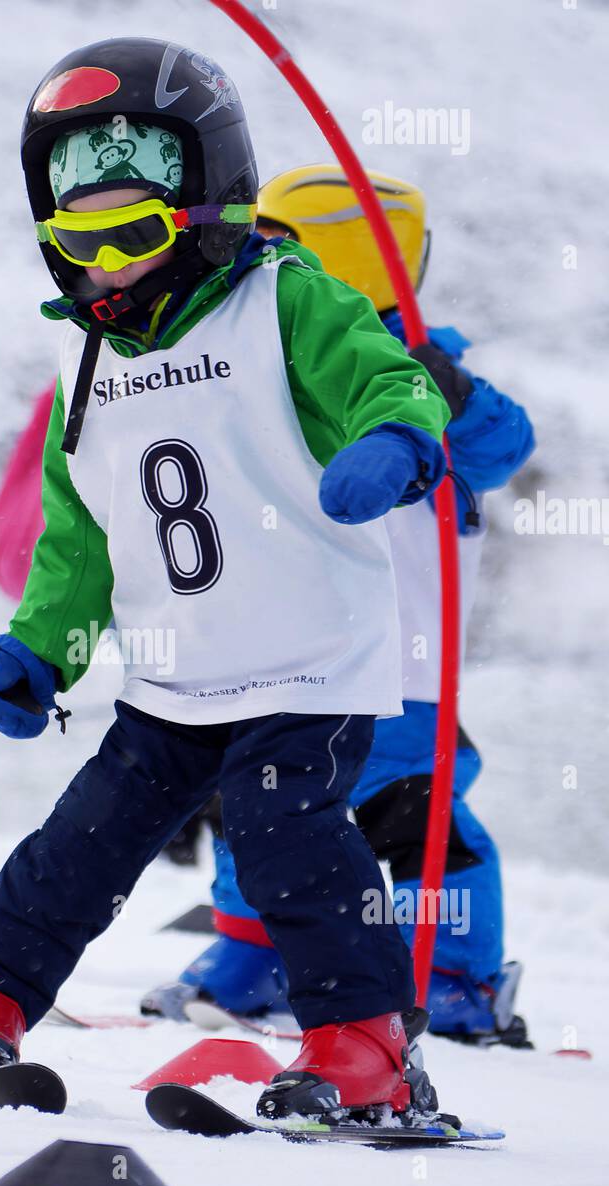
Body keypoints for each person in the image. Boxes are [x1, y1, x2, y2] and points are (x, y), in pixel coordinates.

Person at [0, 39, 455, 1122]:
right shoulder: (85, 359)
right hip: (173, 679)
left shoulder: (286, 300)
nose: (106, 263)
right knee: (79, 843)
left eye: (133, 233)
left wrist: (397, 438)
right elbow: (82, 534)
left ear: (208, 206)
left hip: (308, 663)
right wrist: (40, 647)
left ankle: (365, 1050)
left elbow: (388, 376)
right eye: (80, 239)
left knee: (286, 833)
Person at [142, 165, 536, 1045]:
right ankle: (255, 953)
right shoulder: (266, 359)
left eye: (273, 244)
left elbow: (505, 445)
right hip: (285, 646)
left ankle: (454, 974)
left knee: (412, 811)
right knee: (259, 802)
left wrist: (448, 390)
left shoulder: (429, 380)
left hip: (400, 665)